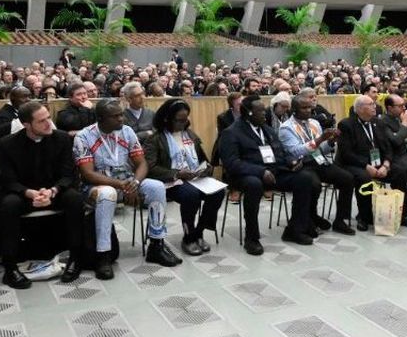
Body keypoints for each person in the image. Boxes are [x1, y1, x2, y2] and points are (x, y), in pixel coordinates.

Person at [0, 101, 89, 287]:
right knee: (8, 205)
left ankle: (76, 258)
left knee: (75, 199)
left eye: (49, 118)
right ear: (27, 125)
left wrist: (52, 191)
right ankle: (10, 267)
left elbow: (69, 174)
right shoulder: (7, 144)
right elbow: (7, 180)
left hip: (54, 191)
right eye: (42, 121)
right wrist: (30, 193)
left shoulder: (62, 138)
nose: (48, 124)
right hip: (23, 194)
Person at [77, 99, 178, 273]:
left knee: (156, 187)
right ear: (101, 118)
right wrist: (120, 185)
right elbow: (88, 174)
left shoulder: (127, 131)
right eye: (115, 116)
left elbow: (142, 164)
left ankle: (156, 244)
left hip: (127, 182)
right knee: (107, 193)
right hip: (97, 186)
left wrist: (135, 183)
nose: (121, 119)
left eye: (122, 114)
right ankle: (103, 254)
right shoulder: (84, 136)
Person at [217, 95, 322, 253]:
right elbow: (232, 164)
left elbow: (280, 151)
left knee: (305, 178)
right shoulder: (231, 132)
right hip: (246, 175)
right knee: (254, 185)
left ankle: (295, 229)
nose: (265, 113)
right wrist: (260, 171)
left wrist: (290, 162)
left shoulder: (266, 129)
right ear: (249, 113)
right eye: (260, 111)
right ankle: (251, 238)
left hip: (273, 172)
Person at [147, 99, 223, 255]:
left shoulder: (189, 134)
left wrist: (207, 169)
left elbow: (203, 159)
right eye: (179, 120)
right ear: (167, 118)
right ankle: (188, 238)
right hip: (171, 181)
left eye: (185, 119)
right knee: (191, 195)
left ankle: (198, 232)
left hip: (194, 177)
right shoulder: (156, 139)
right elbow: (150, 168)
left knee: (218, 192)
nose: (183, 123)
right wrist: (176, 173)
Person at [336, 95, 407, 229]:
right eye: (370, 104)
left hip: (379, 163)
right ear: (359, 108)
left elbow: (387, 148)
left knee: (399, 171)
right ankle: (364, 217)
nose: (374, 106)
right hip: (355, 163)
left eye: (373, 104)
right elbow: (347, 154)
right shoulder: (346, 124)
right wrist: (366, 166)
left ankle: (403, 214)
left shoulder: (378, 122)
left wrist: (386, 164)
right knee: (364, 178)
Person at [280, 94, 353, 232]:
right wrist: (320, 139)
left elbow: (321, 150)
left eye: (310, 107)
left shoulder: (314, 123)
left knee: (347, 178)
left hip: (318, 161)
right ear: (294, 109)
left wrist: (331, 141)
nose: (309, 110)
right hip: (302, 165)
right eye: (304, 108)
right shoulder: (286, 128)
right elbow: (297, 152)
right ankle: (310, 216)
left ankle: (340, 220)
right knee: (314, 184)